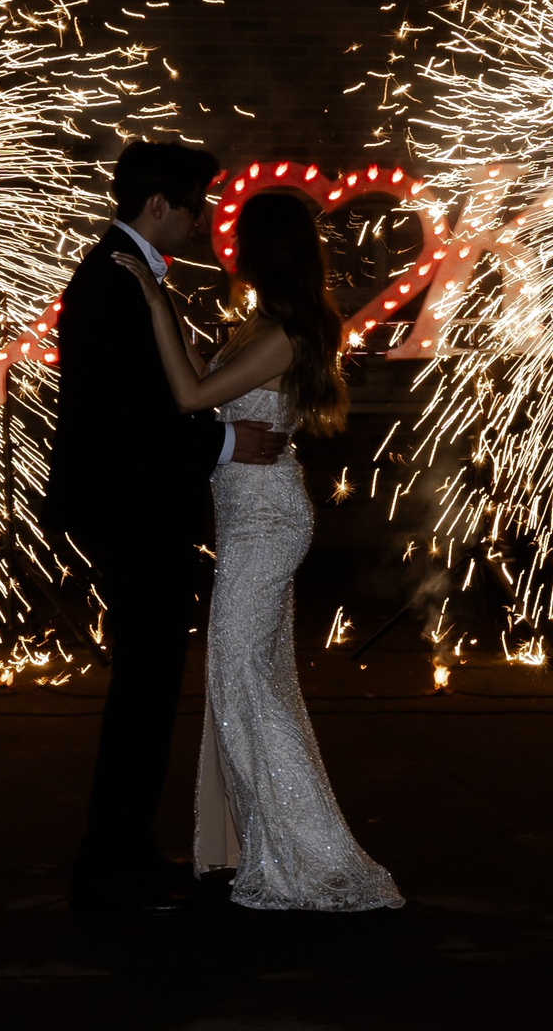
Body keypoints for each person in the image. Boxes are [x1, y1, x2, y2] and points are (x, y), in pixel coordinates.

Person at [111, 189, 403, 912]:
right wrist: (169, 314)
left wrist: (155, 302)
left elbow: (189, 399)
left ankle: (311, 854)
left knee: (242, 677)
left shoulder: (285, 333)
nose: (230, 248)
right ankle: (268, 843)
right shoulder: (264, 325)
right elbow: (208, 388)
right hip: (250, 519)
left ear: (265, 249)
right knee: (250, 677)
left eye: (241, 238)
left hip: (267, 522)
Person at [49, 141, 288, 919]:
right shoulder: (116, 280)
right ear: (159, 205)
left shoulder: (128, 273)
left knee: (148, 690)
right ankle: (110, 867)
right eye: (195, 205)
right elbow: (127, 421)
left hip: (139, 507)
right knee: (143, 694)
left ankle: (127, 850)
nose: (203, 221)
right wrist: (225, 442)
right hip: (133, 509)